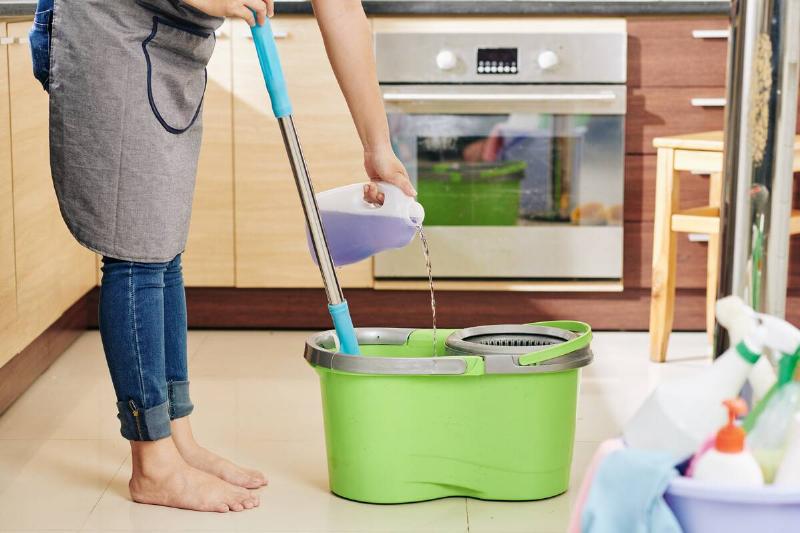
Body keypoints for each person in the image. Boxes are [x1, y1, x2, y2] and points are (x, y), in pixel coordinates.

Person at [34, 0, 415, 513]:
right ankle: (152, 463)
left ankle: (177, 438)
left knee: (161, 247)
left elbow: (343, 9)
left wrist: (377, 146)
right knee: (137, 253)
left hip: (171, 37)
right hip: (108, 26)